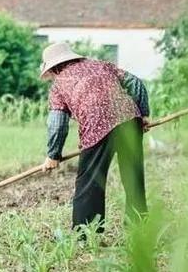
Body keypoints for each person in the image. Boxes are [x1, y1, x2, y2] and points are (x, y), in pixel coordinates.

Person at [39, 42, 150, 232]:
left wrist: (53, 155)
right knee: (133, 176)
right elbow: (135, 82)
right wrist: (143, 114)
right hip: (130, 121)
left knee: (90, 182)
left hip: (97, 128)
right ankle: (139, 227)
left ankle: (86, 233)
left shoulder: (59, 85)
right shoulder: (101, 65)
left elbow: (57, 124)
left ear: (54, 67)